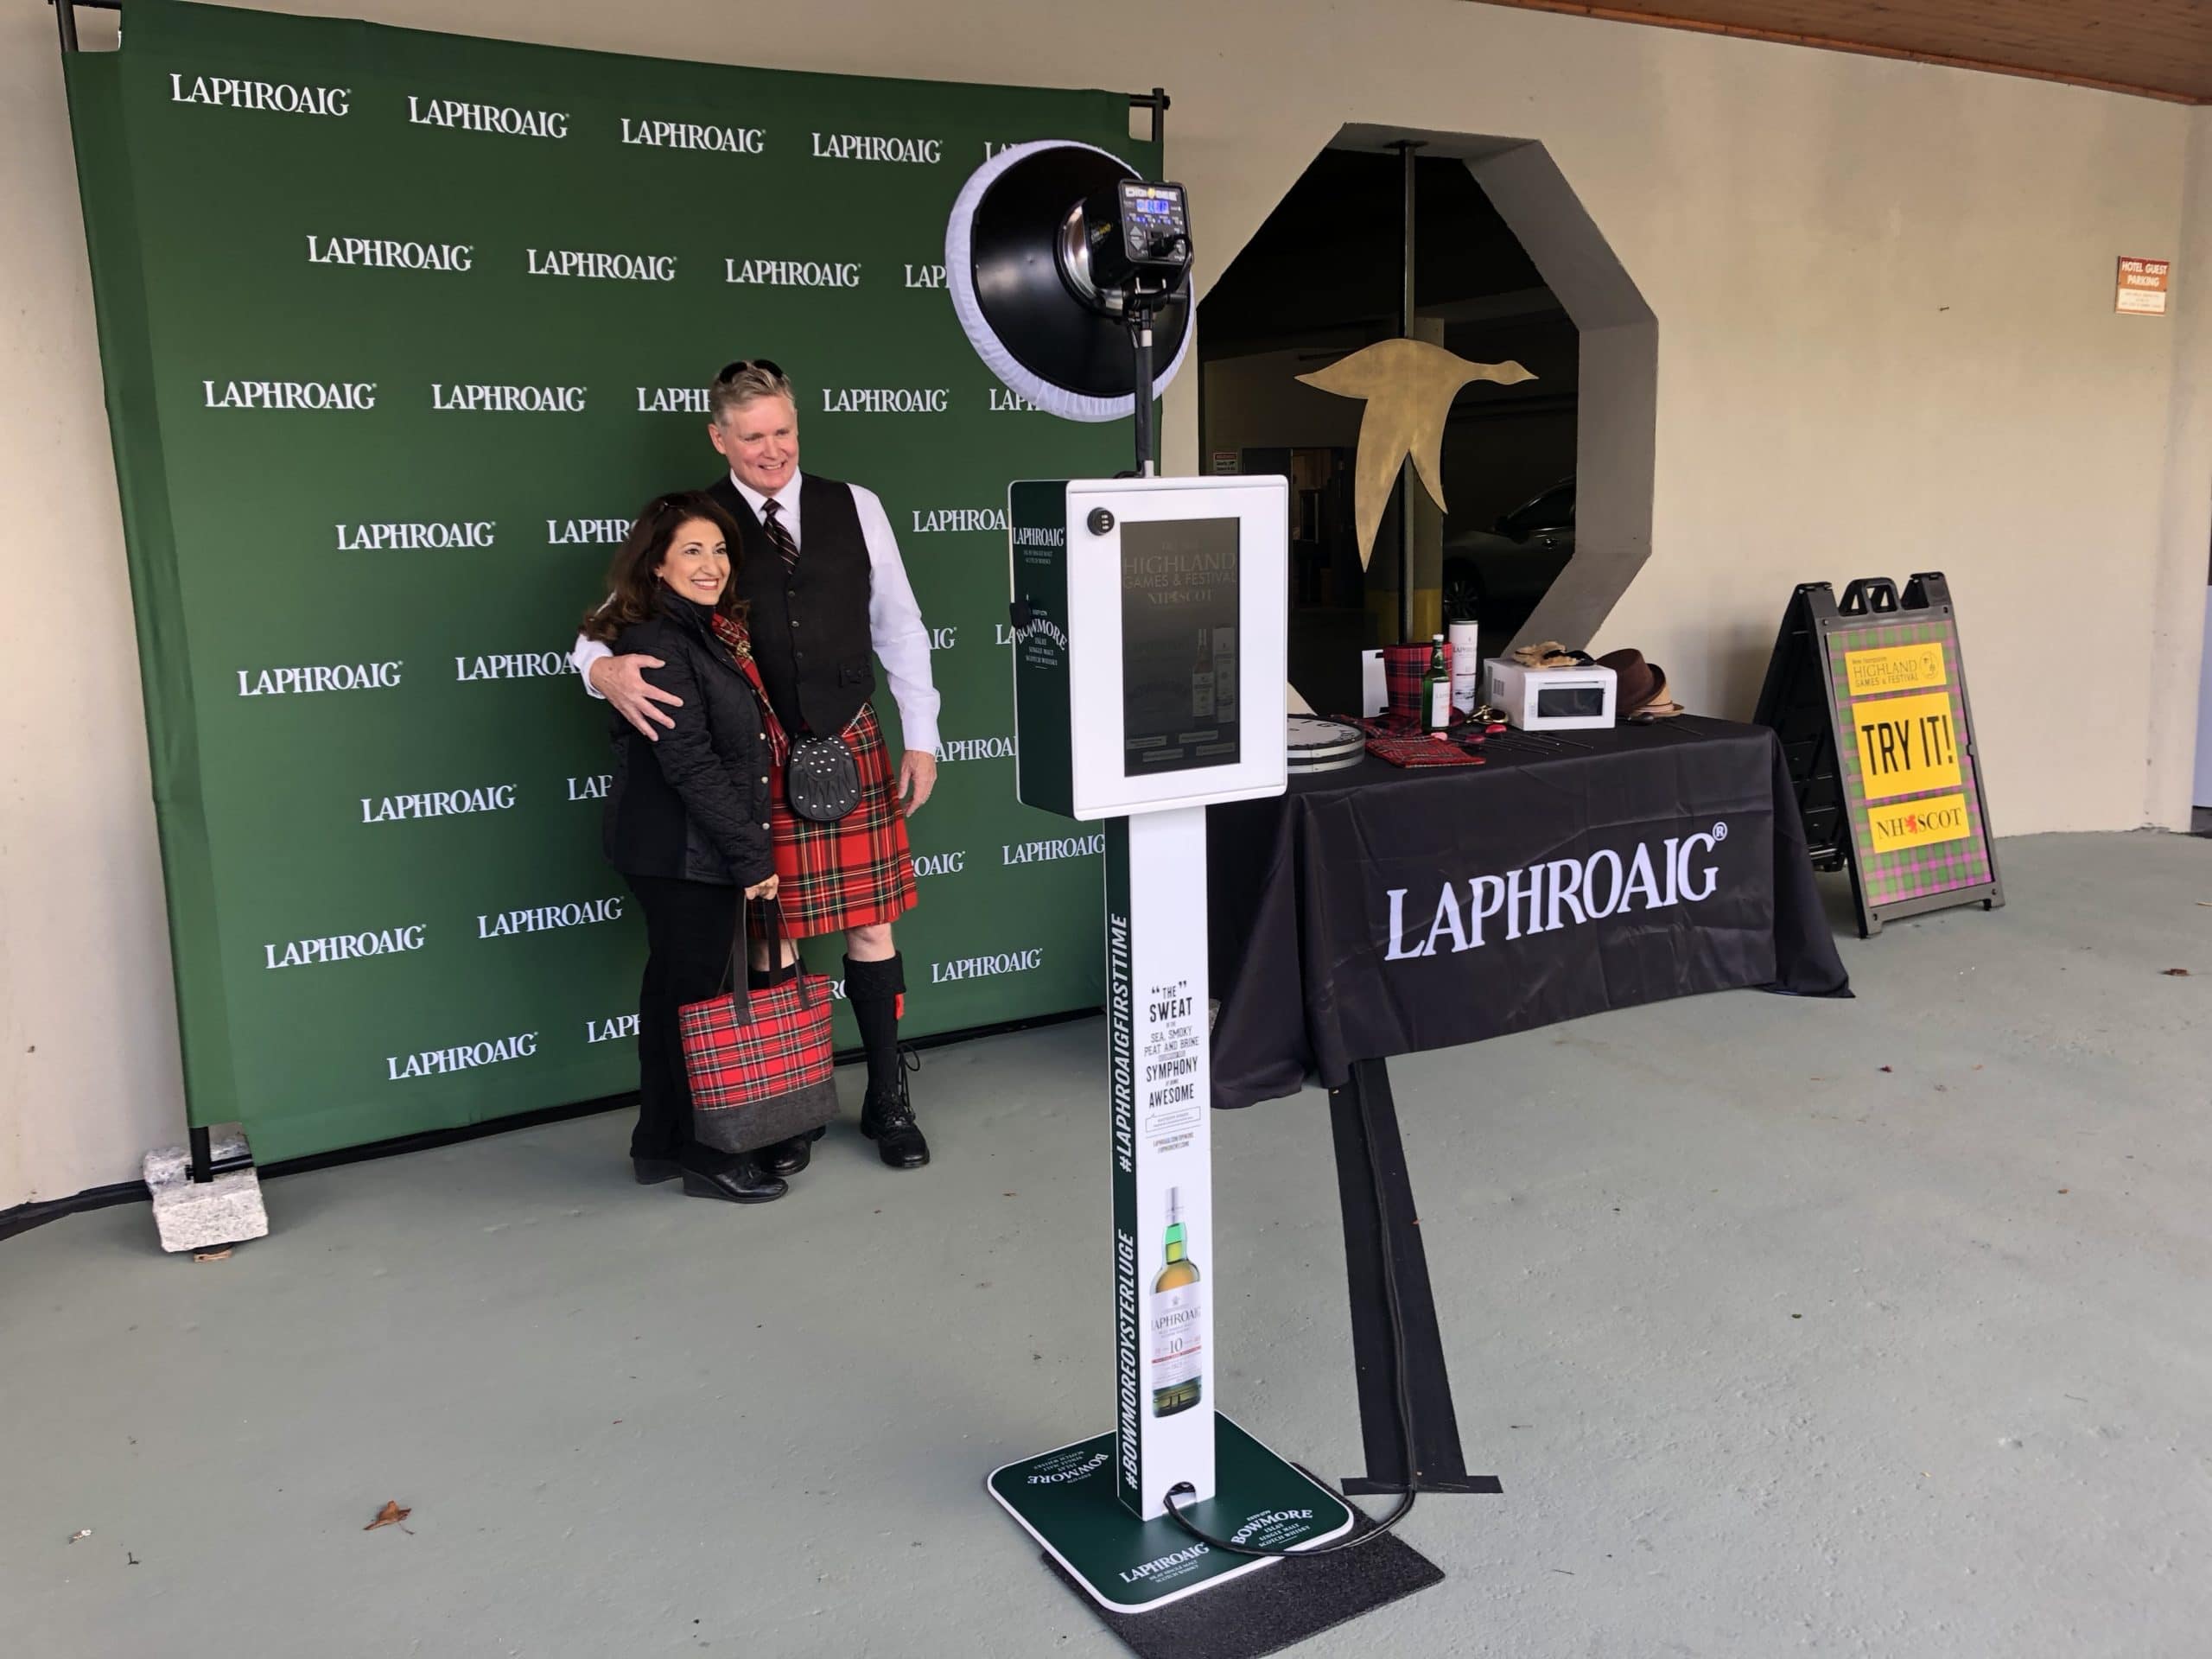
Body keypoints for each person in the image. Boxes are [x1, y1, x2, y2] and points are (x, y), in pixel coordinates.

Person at [572, 360, 939, 1171]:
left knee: (871, 927)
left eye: (783, 432)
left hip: (849, 736)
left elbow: (902, 626)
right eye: (752, 436)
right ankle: (789, 1104)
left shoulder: (859, 507)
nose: (771, 450)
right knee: (769, 938)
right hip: (758, 753)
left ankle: (887, 1099)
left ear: (796, 428)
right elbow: (607, 619)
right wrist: (598, 669)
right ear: (719, 437)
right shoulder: (701, 523)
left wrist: (923, 734)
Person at [588, 493, 798, 1205]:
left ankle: (658, 1144)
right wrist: (752, 860)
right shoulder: (657, 640)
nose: (711, 565)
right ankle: (705, 1154)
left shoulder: (698, 630)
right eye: (691, 551)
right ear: (656, 563)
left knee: (674, 997)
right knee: (696, 1003)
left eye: (719, 550)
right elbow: (692, 765)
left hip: (677, 849)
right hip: (681, 853)